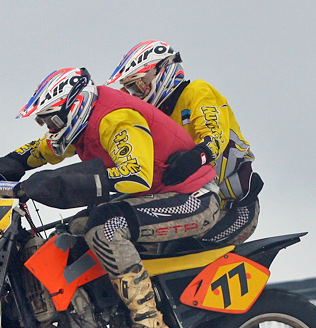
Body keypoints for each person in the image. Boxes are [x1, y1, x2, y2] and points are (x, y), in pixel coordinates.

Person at [0, 67, 220, 328]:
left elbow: (135, 176)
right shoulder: (80, 124)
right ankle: (104, 325)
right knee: (72, 231)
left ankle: (150, 324)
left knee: (106, 228)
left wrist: (56, 183)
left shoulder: (115, 118)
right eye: (45, 122)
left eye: (52, 121)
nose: (50, 128)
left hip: (195, 199)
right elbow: (36, 153)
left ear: (75, 104)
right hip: (158, 199)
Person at [107, 40, 262, 247]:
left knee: (183, 252)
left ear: (160, 72)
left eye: (137, 87)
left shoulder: (197, 91)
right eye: (130, 90)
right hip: (187, 204)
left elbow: (215, 137)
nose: (136, 95)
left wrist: (196, 157)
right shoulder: (155, 117)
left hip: (234, 206)